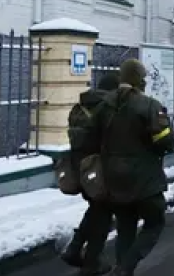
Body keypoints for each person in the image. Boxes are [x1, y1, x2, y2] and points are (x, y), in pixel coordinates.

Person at [94, 59, 174, 275]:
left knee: (125, 227)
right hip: (145, 180)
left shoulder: (104, 106)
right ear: (140, 80)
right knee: (154, 222)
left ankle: (123, 270)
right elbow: (165, 141)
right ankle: (126, 266)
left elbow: (92, 139)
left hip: (114, 179)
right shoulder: (149, 105)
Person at [60, 73, 118, 275]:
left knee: (96, 209)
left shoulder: (80, 107)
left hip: (81, 168)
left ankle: (75, 248)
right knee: (103, 213)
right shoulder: (107, 108)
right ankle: (92, 262)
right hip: (100, 167)